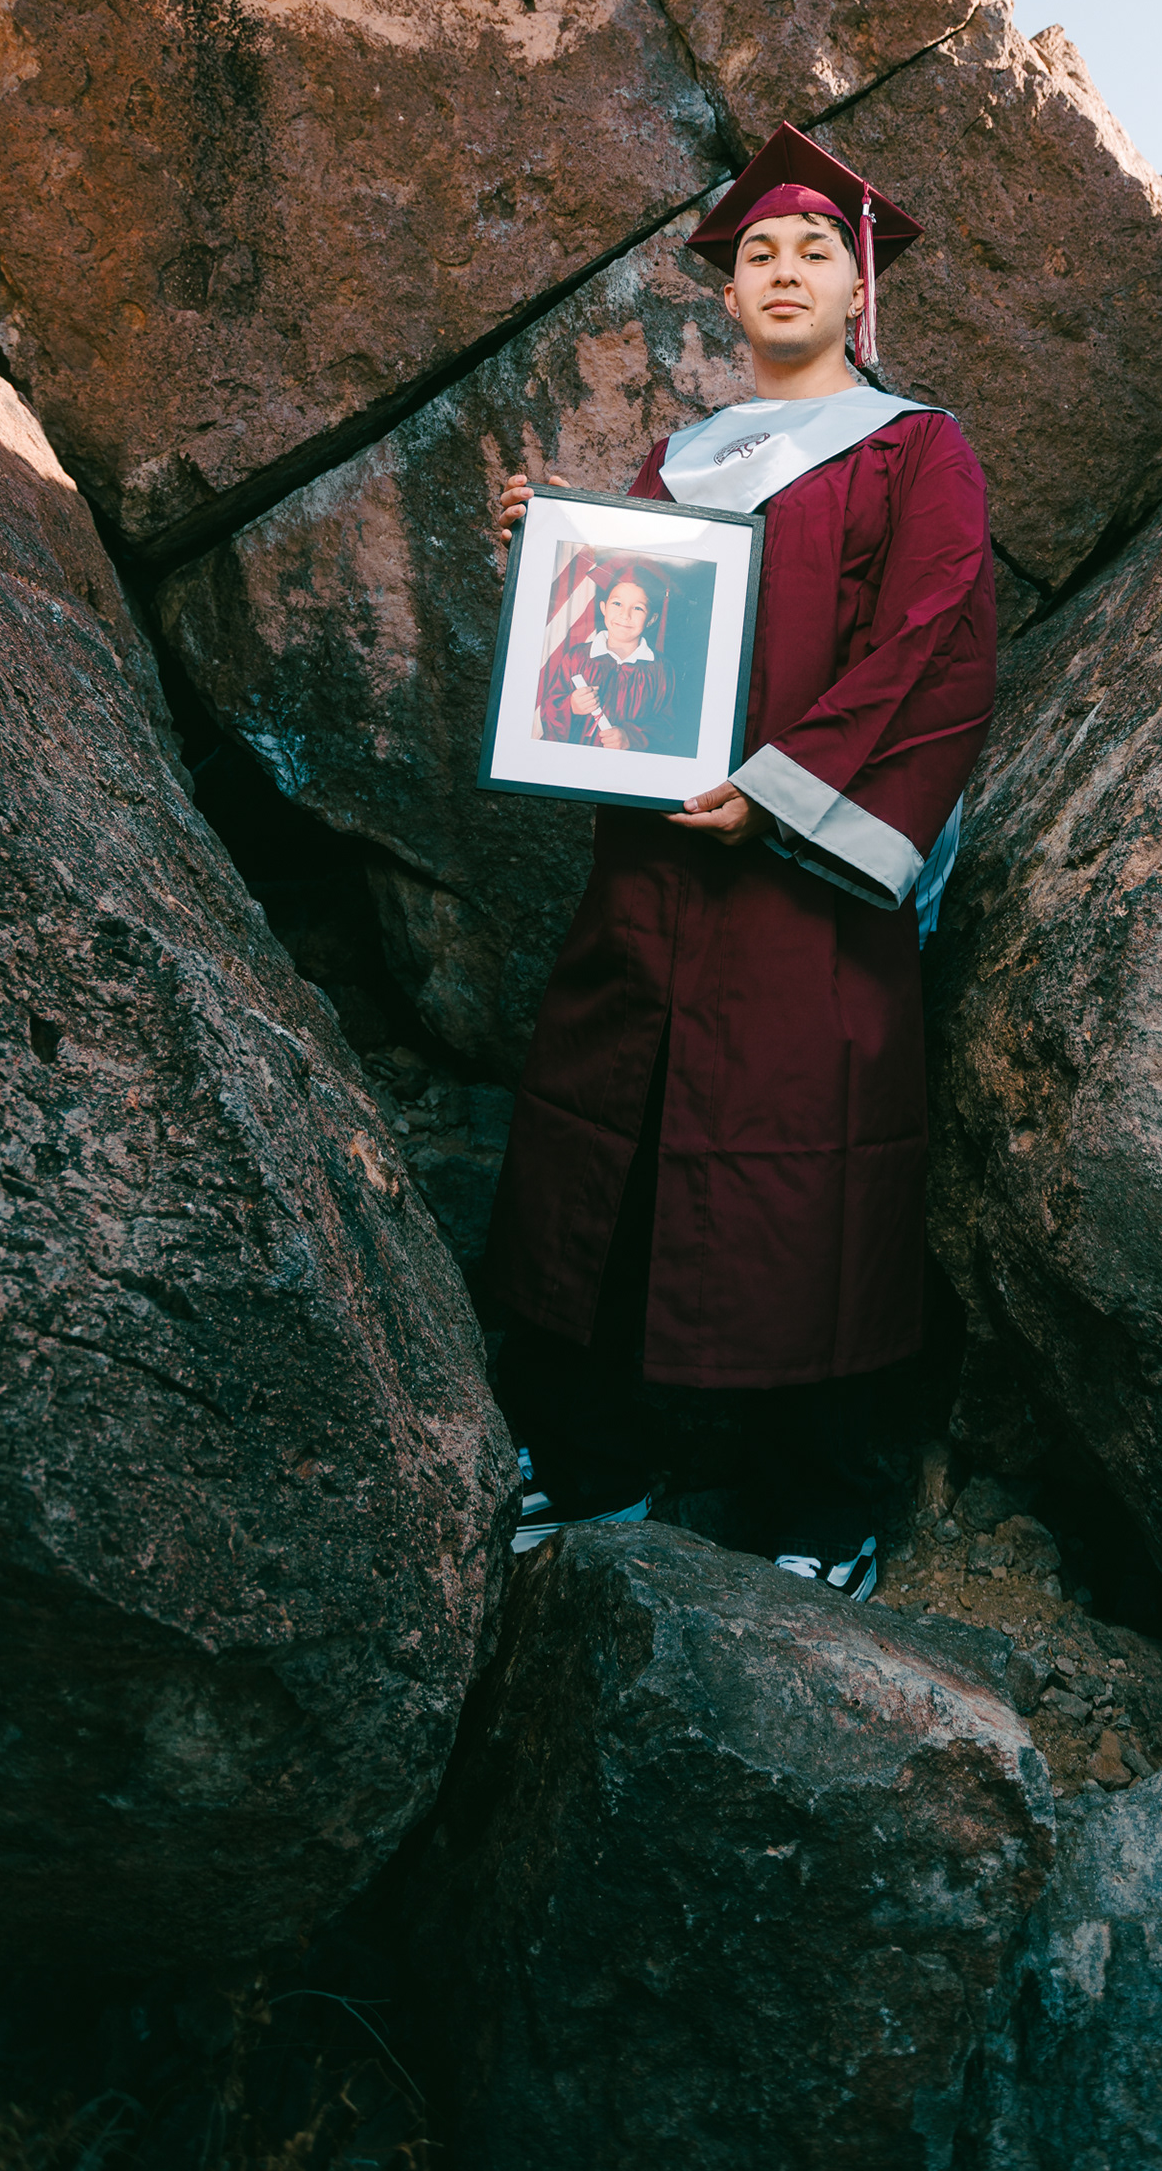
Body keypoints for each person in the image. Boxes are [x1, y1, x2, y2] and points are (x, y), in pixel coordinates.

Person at [487, 122, 996, 1599]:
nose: (782, 270)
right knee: (617, 1144)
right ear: (728, 294)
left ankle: (819, 1506)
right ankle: (594, 1461)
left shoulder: (917, 449)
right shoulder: (681, 462)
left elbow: (933, 647)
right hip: (653, 877)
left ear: (858, 287)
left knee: (806, 1176)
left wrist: (779, 797)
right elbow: (631, 646)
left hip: (798, 885)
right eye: (758, 252)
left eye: (812, 251)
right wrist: (556, 557)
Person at [534, 558, 677, 752]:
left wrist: (631, 737)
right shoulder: (578, 658)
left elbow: (667, 727)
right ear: (603, 608)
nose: (625, 615)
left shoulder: (660, 669)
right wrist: (570, 705)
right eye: (617, 603)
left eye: (638, 608)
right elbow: (550, 708)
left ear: (651, 619)